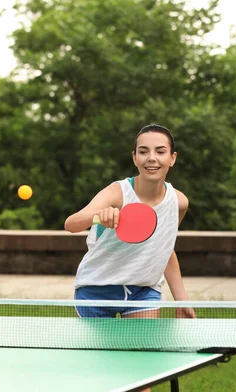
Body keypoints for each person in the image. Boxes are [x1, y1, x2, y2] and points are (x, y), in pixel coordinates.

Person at [64, 124, 195, 320]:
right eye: (143, 152)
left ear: (172, 158)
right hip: (97, 289)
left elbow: (164, 248)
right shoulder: (118, 193)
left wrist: (181, 298)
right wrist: (100, 216)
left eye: (160, 151)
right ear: (134, 158)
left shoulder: (179, 202)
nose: (151, 158)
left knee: (140, 349)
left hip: (143, 291)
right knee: (98, 352)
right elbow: (71, 224)